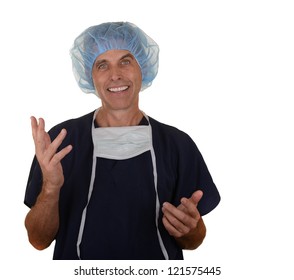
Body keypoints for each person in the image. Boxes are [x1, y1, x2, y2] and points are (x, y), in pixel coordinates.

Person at [24, 22, 220, 260]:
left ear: (142, 69)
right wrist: (51, 187)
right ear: (90, 75)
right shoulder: (60, 142)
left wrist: (191, 228)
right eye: (102, 65)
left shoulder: (177, 144)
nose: (115, 75)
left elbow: (194, 241)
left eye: (125, 62)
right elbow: (38, 240)